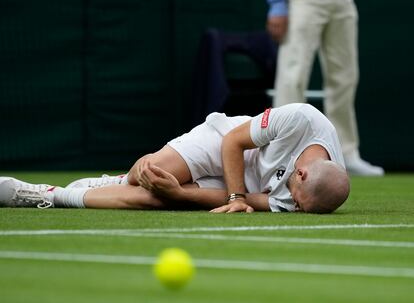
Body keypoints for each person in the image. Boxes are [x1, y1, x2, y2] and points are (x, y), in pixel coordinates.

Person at [0, 103, 350, 213]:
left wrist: (182, 195)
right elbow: (233, 142)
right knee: (146, 173)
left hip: (247, 183)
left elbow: (257, 200)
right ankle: (121, 180)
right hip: (223, 142)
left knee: (157, 194)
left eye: (299, 208)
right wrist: (235, 196)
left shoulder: (313, 192)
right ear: (301, 174)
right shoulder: (302, 118)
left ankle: (45, 195)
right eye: (299, 204)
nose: (293, 208)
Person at [266, 0, 384, 176]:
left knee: (345, 78)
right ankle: (282, 152)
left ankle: (344, 154)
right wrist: (277, 3)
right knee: (292, 77)